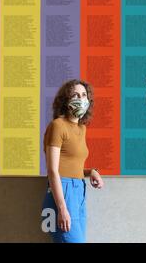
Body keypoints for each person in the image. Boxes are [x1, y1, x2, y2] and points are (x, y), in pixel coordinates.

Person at [41, 79, 104, 243]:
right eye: (75, 95)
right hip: (62, 193)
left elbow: (70, 165)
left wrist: (91, 172)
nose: (81, 99)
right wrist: (62, 208)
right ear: (66, 100)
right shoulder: (57, 126)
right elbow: (53, 170)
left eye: (84, 95)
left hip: (78, 192)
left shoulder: (81, 129)